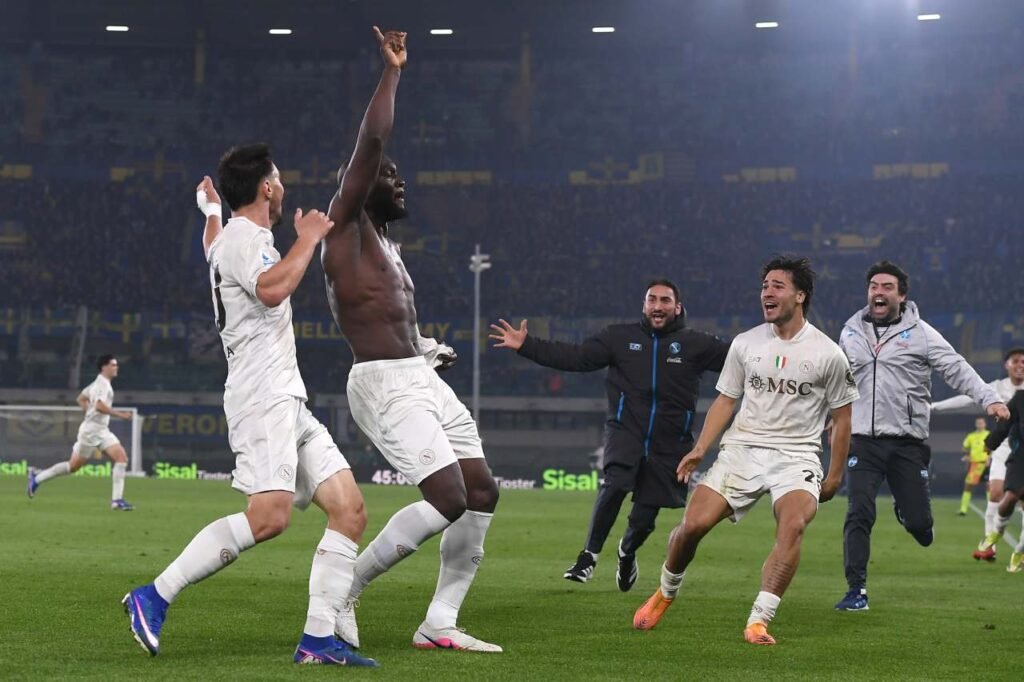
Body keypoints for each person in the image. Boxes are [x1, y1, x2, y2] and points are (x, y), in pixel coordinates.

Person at [122, 147, 376, 666]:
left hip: (286, 399)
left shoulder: (228, 238)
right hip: (262, 398)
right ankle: (154, 595)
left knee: (349, 511)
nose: (282, 187)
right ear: (266, 187)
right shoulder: (248, 240)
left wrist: (210, 212)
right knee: (269, 517)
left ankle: (317, 641)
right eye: (277, 179)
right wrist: (308, 238)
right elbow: (272, 289)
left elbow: (212, 246)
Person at [322, 28, 500, 653]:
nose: (400, 183)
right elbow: (372, 141)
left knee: (481, 491)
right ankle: (344, 590)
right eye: (389, 175)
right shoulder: (343, 227)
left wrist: (425, 348)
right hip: (382, 383)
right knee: (447, 496)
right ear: (360, 181)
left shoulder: (390, 248)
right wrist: (393, 70)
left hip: (417, 376)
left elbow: (391, 319)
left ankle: (439, 622)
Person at [632, 256, 857, 646]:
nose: (767, 292)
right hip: (742, 449)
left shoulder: (828, 354)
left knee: (793, 526)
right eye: (764, 286)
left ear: (800, 295)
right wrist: (701, 448)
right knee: (692, 526)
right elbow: (725, 400)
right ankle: (666, 591)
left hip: (797, 456)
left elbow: (843, 418)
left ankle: (758, 620)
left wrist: (835, 474)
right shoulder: (746, 343)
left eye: (777, 286)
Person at [488, 279, 729, 591]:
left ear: (677, 307)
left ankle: (627, 552)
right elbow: (576, 357)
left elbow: (742, 358)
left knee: (644, 518)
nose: (658, 306)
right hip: (625, 431)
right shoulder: (619, 338)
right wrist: (527, 345)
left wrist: (777, 342)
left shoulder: (697, 344)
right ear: (644, 305)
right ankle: (588, 556)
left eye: (665, 300)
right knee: (615, 482)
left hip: (670, 443)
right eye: (652, 299)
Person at [835, 261, 1007, 611]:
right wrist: (833, 417)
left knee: (920, 526)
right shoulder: (850, 333)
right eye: (873, 286)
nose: (878, 292)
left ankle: (909, 513)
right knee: (858, 512)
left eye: (887, 287)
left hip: (907, 443)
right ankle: (856, 590)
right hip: (863, 441)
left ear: (902, 296)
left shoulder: (922, 334)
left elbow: (956, 368)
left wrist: (989, 398)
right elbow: (838, 380)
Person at [931, 347, 1024, 560]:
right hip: (1003, 446)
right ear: (1007, 365)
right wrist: (934, 407)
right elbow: (967, 398)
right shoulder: (997, 387)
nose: (1020, 365)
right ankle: (989, 546)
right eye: (1016, 361)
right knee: (996, 492)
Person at [27, 354, 135, 510]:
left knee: (121, 458)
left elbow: (81, 399)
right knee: (72, 467)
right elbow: (99, 406)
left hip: (101, 430)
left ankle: (117, 501)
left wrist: (89, 411)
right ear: (104, 367)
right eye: (113, 365)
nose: (116, 367)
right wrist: (121, 415)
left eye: (116, 365)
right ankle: (37, 478)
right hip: (91, 432)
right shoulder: (102, 385)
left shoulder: (97, 383)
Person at [977, 389, 1024, 573]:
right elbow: (1005, 424)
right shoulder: (1020, 398)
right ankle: (997, 531)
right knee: (1011, 495)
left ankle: (1019, 553)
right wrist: (990, 443)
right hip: (1021, 457)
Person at [956, 418, 990, 516]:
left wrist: (990, 458)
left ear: (985, 424)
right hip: (974, 464)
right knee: (968, 486)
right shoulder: (971, 436)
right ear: (976, 424)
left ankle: (991, 509)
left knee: (989, 486)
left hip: (985, 463)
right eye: (978, 423)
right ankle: (963, 509)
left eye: (982, 423)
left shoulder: (988, 434)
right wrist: (967, 455)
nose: (980, 424)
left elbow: (993, 447)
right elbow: (964, 447)